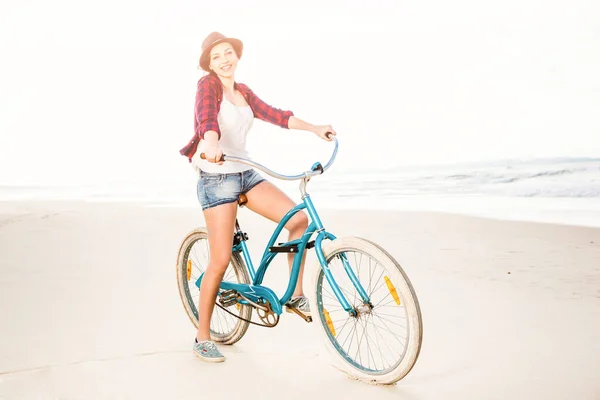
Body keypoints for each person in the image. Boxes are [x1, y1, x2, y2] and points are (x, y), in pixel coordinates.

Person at [179, 32, 337, 363]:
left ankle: (294, 295)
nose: (224, 59)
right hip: (216, 176)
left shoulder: (243, 92)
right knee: (221, 259)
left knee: (298, 220)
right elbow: (206, 118)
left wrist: (314, 128)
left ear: (237, 55)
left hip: (245, 172)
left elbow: (276, 115)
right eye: (216, 56)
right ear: (209, 64)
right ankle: (203, 336)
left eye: (228, 53)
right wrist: (210, 142)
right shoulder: (207, 87)